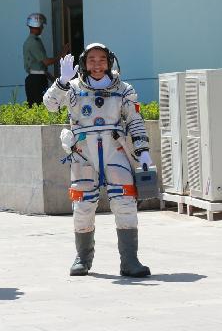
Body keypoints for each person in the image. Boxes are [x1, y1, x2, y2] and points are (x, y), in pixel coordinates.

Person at [43, 43, 153, 278]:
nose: (97, 64)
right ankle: (83, 258)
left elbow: (134, 120)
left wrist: (143, 151)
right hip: (83, 153)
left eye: (101, 59)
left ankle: (130, 261)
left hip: (115, 149)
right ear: (84, 63)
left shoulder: (123, 89)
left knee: (125, 203)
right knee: (82, 206)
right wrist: (61, 81)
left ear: (110, 61)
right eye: (91, 59)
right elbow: (50, 106)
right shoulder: (72, 88)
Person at [22, 12, 58, 106]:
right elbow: (45, 62)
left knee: (40, 105)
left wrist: (51, 78)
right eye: (41, 25)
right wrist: (61, 56)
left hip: (38, 78)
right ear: (36, 26)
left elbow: (40, 67)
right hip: (36, 80)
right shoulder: (33, 42)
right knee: (38, 106)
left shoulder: (35, 40)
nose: (42, 27)